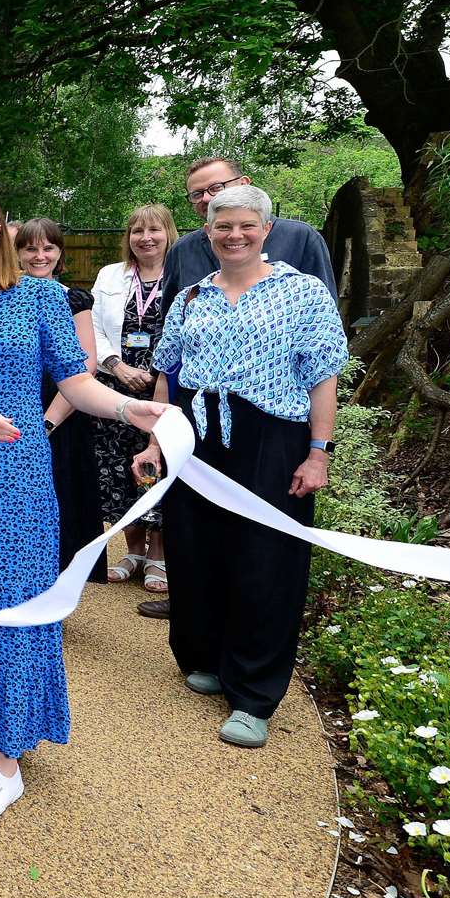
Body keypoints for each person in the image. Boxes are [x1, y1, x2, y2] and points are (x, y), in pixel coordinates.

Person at [0, 186, 165, 822]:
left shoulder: (42, 298)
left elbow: (76, 384)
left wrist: (131, 408)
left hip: (14, 474)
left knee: (5, 601)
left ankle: (5, 762)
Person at [134, 185, 345, 750]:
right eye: (222, 226)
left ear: (266, 230)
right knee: (197, 547)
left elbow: (323, 377)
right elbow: (167, 375)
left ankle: (253, 694)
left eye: (246, 226)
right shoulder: (192, 298)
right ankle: (205, 656)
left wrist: (318, 451)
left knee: (265, 559)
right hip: (197, 435)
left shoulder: (303, 295)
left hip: (271, 438)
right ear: (207, 232)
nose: (234, 236)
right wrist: (158, 442)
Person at [90, 204, 178, 612]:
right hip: (115, 385)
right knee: (115, 469)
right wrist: (116, 366)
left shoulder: (183, 274)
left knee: (158, 468)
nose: (145, 237)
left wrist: (157, 371)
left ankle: (159, 555)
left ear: (168, 233)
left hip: (165, 386)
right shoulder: (110, 275)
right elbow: (92, 326)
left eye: (154, 230)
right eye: (137, 230)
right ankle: (132, 551)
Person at [14, 219, 106, 585]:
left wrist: (48, 423)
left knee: (62, 502)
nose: (40, 256)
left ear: (60, 253)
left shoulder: (74, 298)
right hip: (14, 411)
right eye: (30, 249)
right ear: (17, 253)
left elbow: (87, 364)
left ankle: (56, 591)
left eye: (48, 248)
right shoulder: (0, 295)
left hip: (62, 416)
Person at [161, 156, 336, 313]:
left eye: (216, 187)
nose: (206, 198)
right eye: (197, 194)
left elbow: (324, 317)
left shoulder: (300, 238)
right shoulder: (182, 251)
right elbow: (170, 322)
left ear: (244, 183)